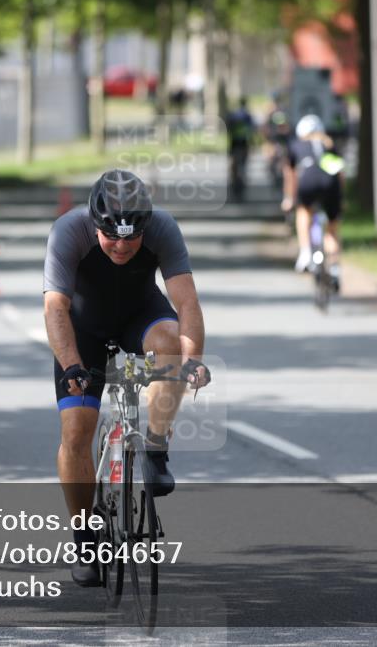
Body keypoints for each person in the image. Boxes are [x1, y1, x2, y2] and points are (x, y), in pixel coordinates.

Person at [43, 169, 211, 587]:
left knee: (171, 343)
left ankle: (154, 447)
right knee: (76, 431)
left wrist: (191, 361)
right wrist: (73, 365)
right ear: (95, 223)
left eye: (131, 237)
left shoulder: (162, 228)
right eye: (111, 237)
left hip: (140, 317)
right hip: (84, 331)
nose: (120, 246)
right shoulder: (69, 231)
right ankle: (84, 539)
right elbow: (55, 310)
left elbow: (186, 300)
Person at [281, 114, 345, 282]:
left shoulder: (296, 145)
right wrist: (340, 197)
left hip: (308, 179)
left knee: (303, 212)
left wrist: (289, 198)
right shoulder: (329, 144)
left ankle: (305, 252)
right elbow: (340, 173)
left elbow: (291, 175)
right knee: (332, 229)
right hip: (330, 183)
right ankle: (335, 268)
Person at [225, 98, 255, 202]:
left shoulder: (233, 115)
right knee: (243, 164)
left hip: (233, 144)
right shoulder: (247, 116)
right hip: (244, 144)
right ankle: (242, 177)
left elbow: (228, 130)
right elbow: (251, 130)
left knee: (233, 165)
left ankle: (233, 180)